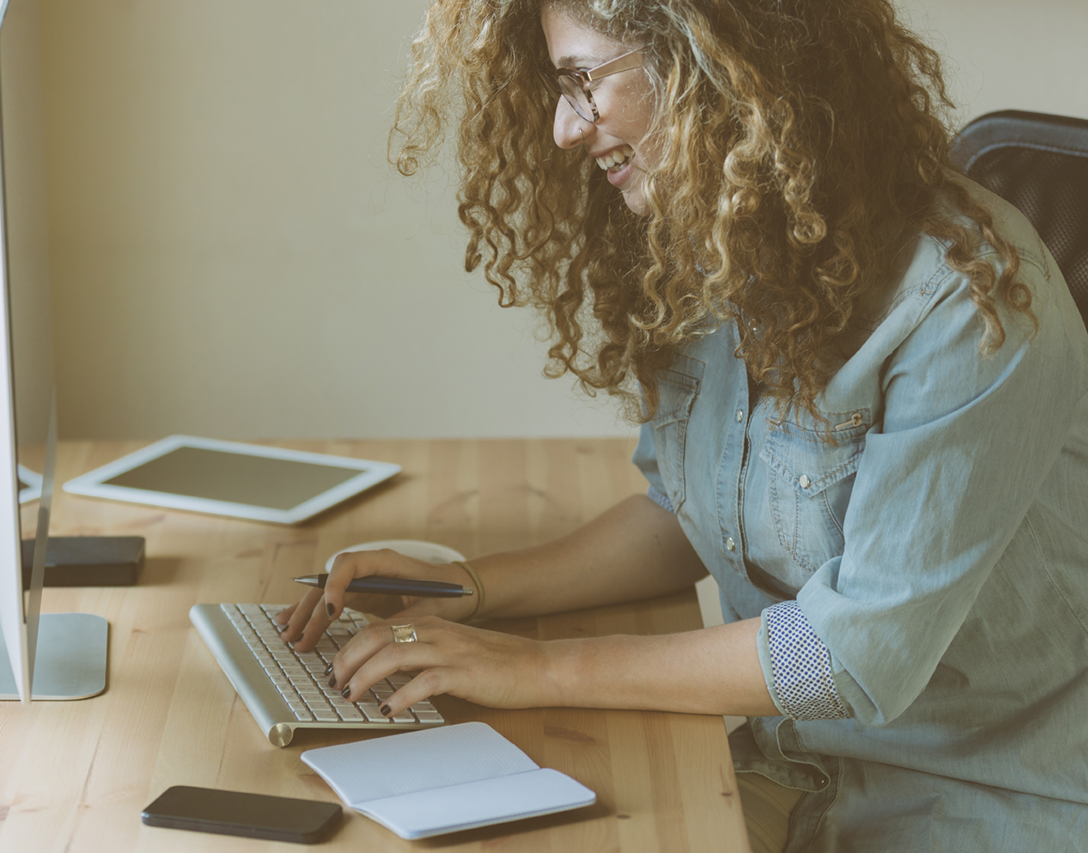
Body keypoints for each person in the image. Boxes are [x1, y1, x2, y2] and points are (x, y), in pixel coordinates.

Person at [275, 1, 1088, 850]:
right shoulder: (724, 240)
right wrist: (469, 589)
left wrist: (536, 667)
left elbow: (846, 654)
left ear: (715, 59)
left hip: (987, 802)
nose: (562, 128)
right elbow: (682, 519)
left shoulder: (970, 301)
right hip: (793, 768)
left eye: (581, 81)